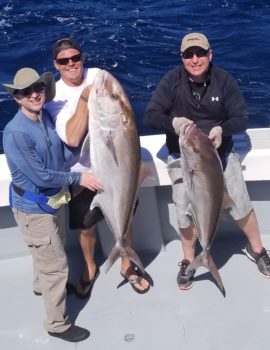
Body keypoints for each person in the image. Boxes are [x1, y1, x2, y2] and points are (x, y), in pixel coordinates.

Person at [143, 32, 270, 290]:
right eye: (189, 55)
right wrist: (174, 123)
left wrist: (221, 131)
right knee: (183, 211)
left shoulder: (224, 81)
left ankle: (257, 249)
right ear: (182, 58)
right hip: (184, 159)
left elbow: (241, 118)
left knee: (240, 203)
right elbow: (150, 115)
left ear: (210, 54)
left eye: (200, 53)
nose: (195, 59)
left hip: (220, 157)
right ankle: (189, 258)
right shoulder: (171, 81)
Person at [45, 37, 150, 296]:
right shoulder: (53, 97)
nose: (71, 64)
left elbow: (123, 113)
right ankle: (90, 268)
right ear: (55, 64)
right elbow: (71, 138)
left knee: (124, 218)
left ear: (83, 57)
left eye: (75, 58)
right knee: (86, 226)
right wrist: (84, 100)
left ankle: (126, 262)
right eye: (64, 60)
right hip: (83, 176)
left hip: (118, 170)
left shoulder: (100, 75)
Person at [3, 67, 100, 342]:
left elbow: (60, 154)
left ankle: (40, 286)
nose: (34, 94)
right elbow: (42, 176)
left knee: (45, 255)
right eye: (25, 92)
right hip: (35, 209)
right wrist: (80, 176)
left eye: (37, 88)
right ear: (16, 98)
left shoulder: (44, 116)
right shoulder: (16, 134)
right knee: (56, 266)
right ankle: (57, 324)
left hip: (54, 202)